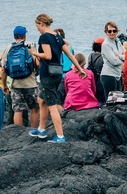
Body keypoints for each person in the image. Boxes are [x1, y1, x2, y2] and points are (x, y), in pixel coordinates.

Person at [28, 14, 85, 143]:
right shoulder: (57, 37)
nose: (37, 28)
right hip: (57, 74)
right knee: (41, 100)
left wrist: (34, 53)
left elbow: (47, 56)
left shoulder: (44, 37)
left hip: (47, 75)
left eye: (37, 25)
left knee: (52, 106)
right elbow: (70, 54)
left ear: (41, 24)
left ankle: (60, 136)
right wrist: (80, 69)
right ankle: (41, 129)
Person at [1, 26, 39, 128]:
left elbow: (3, 70)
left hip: (15, 84)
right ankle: (34, 131)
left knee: (18, 110)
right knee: (34, 108)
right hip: (30, 83)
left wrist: (4, 85)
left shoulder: (8, 48)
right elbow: (37, 64)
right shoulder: (30, 46)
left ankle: (17, 133)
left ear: (14, 36)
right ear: (24, 35)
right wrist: (37, 72)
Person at [100, 21, 125, 102]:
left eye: (114, 31)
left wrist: (120, 57)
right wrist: (124, 60)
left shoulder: (118, 42)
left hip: (117, 74)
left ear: (117, 31)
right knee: (110, 101)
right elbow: (114, 61)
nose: (112, 33)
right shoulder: (105, 44)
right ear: (106, 32)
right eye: (109, 31)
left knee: (118, 100)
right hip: (108, 75)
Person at [88, 38, 105, 105]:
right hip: (100, 79)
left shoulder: (91, 55)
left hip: (92, 78)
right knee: (101, 98)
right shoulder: (103, 57)